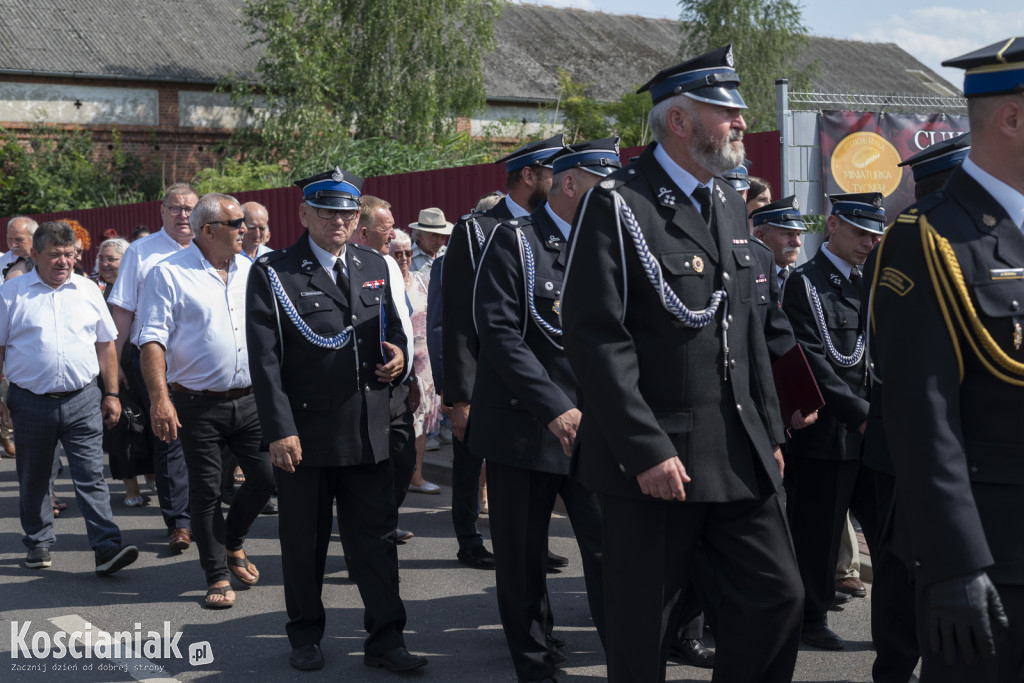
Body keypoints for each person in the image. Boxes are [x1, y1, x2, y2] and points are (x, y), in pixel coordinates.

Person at [560, 46, 803, 682]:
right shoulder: (617, 204)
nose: (740, 123)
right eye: (725, 112)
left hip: (735, 448)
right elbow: (595, 338)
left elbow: (747, 326)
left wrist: (769, 431)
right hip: (656, 456)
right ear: (678, 120)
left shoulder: (727, 200)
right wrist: (645, 448)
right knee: (644, 631)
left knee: (777, 596)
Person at [870, 38, 1024, 682]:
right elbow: (923, 423)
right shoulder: (928, 240)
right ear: (1012, 119)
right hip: (996, 554)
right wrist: (957, 564)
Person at [246, 166, 426, 673]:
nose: (338, 220)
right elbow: (264, 360)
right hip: (305, 433)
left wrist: (397, 359)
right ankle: (305, 633)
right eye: (326, 211)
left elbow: (391, 326)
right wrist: (279, 429)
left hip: (368, 428)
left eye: (346, 212)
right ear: (304, 214)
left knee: (376, 542)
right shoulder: (275, 272)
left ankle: (386, 640)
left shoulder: (372, 261)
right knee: (305, 542)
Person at [472, 138, 617, 681]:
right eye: (606, 187)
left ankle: (622, 652)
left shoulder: (610, 245)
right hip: (526, 426)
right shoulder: (516, 241)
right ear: (571, 183)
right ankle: (534, 663)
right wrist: (557, 408)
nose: (616, 198)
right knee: (523, 557)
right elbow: (501, 334)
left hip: (597, 428)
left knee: (609, 548)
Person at [863, 131, 970, 683]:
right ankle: (896, 669)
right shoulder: (906, 244)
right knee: (904, 565)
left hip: (956, 441)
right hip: (906, 439)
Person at [138, 192, 275, 609]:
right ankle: (216, 573)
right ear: (209, 230)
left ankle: (232, 541)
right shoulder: (168, 274)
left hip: (250, 400)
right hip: (196, 403)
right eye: (237, 224)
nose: (246, 230)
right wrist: (160, 399)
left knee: (268, 479)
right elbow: (151, 339)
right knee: (206, 492)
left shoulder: (251, 269)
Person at [442, 134, 565, 570]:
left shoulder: (554, 229)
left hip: (539, 380)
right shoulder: (477, 230)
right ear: (528, 175)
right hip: (486, 378)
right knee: (468, 459)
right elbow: (458, 317)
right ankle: (469, 536)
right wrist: (460, 395)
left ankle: (536, 541)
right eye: (554, 172)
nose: (562, 180)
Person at [0, 221, 138, 575]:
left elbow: (105, 345)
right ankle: (38, 541)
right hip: (30, 401)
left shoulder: (88, 290)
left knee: (91, 474)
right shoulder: (12, 294)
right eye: (54, 255)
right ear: (34, 255)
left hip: (82, 398)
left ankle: (107, 547)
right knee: (34, 477)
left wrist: (111, 394)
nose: (64, 262)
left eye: (69, 255)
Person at [781, 192, 884, 651]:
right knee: (818, 533)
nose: (868, 243)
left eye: (874, 236)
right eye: (861, 233)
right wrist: (859, 415)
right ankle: (809, 618)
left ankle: (896, 618)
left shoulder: (872, 281)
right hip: (828, 432)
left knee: (888, 530)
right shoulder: (804, 283)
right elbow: (812, 358)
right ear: (834, 225)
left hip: (872, 430)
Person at [107, 183, 196, 554]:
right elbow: (123, 311)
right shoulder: (141, 253)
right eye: (175, 208)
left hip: (198, 360)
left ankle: (204, 509)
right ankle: (179, 521)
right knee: (169, 434)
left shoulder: (209, 249)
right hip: (150, 358)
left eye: (190, 208)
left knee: (205, 436)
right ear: (161, 212)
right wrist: (113, 369)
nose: (183, 215)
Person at [350, 196, 417, 541]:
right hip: (368, 383)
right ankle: (367, 534)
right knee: (371, 466)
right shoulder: (350, 267)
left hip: (398, 379)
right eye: (387, 229)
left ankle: (383, 522)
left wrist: (409, 365)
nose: (393, 236)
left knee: (404, 457)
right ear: (363, 233)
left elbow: (399, 322)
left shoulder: (389, 264)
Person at [94, 237, 154, 506]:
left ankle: (154, 475)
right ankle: (132, 490)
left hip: (139, 363)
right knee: (122, 426)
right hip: (109, 365)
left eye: (112, 258)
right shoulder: (93, 289)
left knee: (150, 424)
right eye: (102, 258)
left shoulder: (141, 287)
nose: (105, 264)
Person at [750, 195, 808, 288]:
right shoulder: (746, 277)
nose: (798, 243)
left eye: (798, 234)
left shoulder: (801, 279)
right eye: (788, 233)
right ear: (760, 236)